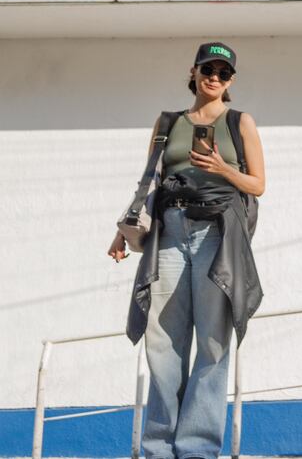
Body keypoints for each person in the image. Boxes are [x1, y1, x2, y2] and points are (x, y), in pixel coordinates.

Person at [109, 42, 265, 459]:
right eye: (208, 69)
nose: (214, 77)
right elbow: (149, 182)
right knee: (162, 344)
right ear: (193, 72)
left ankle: (197, 449)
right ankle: (159, 448)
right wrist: (124, 229)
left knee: (212, 343)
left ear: (230, 81)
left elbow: (258, 185)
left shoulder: (239, 121)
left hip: (217, 234)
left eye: (223, 72)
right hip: (170, 232)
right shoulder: (167, 122)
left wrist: (223, 169)